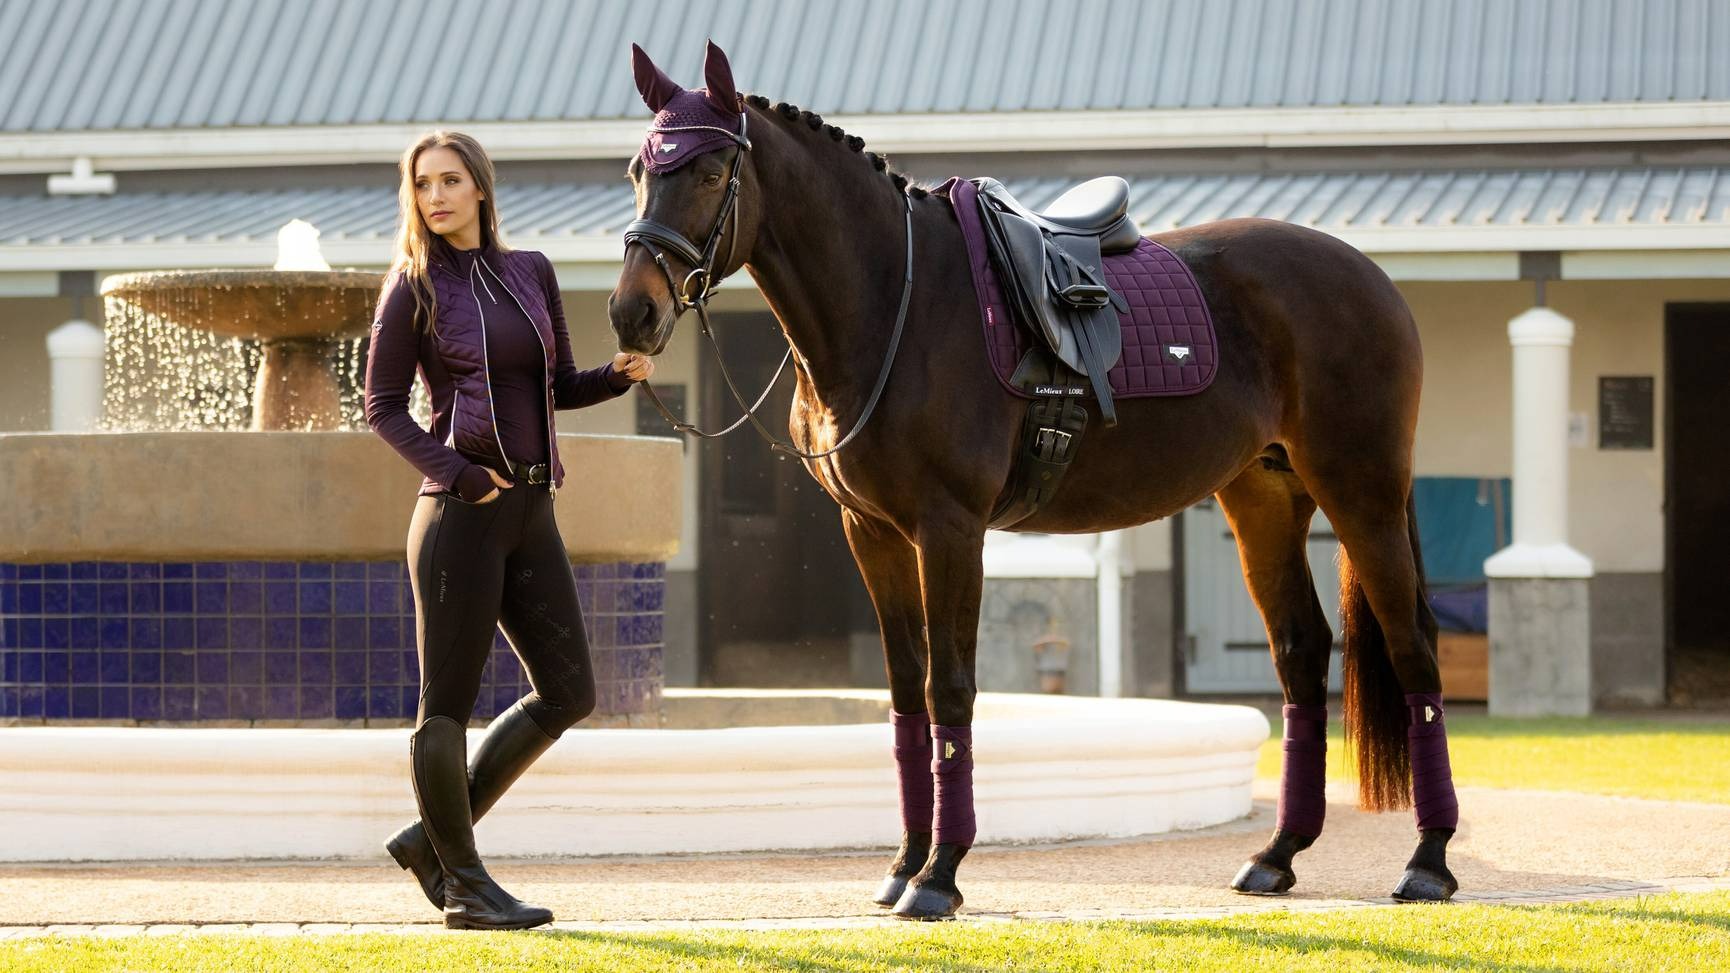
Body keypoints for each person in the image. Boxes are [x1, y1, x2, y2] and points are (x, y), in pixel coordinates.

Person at [364, 130, 652, 930]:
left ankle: (434, 843)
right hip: (460, 514)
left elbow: (553, 384)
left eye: (451, 180)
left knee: (570, 692)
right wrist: (459, 472)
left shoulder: (531, 270)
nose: (437, 196)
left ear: (481, 188)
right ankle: (463, 884)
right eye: (423, 185)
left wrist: (616, 375)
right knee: (445, 704)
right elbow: (382, 407)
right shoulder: (412, 286)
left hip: (533, 510)